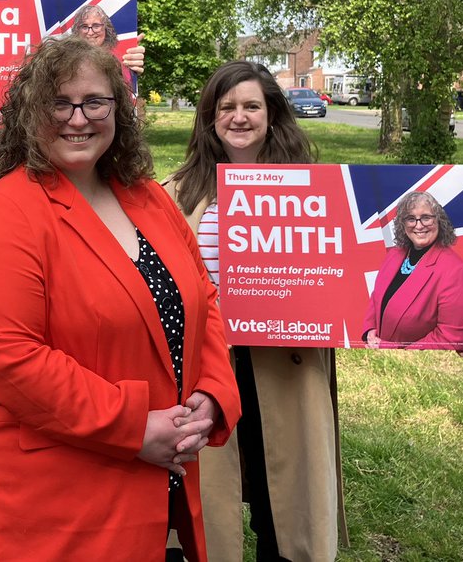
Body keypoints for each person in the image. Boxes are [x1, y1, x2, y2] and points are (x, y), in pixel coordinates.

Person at [0, 36, 241, 562]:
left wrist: (215, 392)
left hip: (161, 483)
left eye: (94, 102)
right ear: (29, 113)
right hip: (55, 506)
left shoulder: (148, 196)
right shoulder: (8, 211)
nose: (77, 118)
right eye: (58, 103)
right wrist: (132, 427)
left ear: (118, 110)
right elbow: (3, 355)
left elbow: (204, 297)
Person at [165, 60, 344, 562]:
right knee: (207, 504)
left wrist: (446, 331)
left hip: (284, 366)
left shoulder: (316, 190)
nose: (238, 117)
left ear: (271, 115)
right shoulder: (176, 192)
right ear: (210, 118)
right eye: (227, 107)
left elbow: (354, 281)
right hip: (208, 366)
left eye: (251, 106)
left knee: (281, 506)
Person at [362, 191, 463, 351]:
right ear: (402, 224)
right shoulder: (394, 255)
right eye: (411, 219)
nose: (418, 225)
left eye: (426, 217)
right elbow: (377, 296)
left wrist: (392, 349)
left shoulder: (455, 271)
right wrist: (370, 330)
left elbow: (454, 337)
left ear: (439, 220)